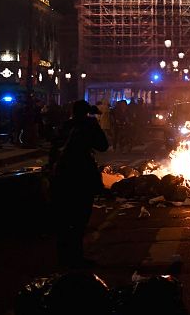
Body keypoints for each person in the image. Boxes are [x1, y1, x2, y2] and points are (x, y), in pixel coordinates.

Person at [49, 100, 109, 267]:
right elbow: (103, 146)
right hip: (81, 175)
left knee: (64, 218)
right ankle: (76, 257)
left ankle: (63, 257)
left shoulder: (64, 126)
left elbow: (53, 149)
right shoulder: (89, 125)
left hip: (62, 175)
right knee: (79, 218)